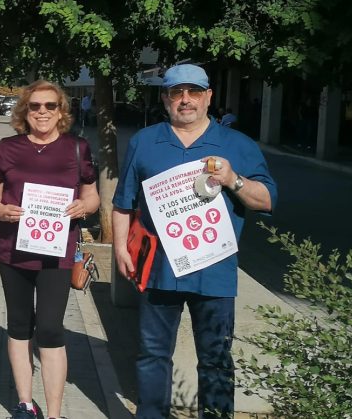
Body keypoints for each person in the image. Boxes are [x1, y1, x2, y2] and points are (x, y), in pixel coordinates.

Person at [113, 64, 276, 419]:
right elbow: (123, 202)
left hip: (214, 272)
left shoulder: (238, 144)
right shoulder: (145, 141)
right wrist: (120, 248)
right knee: (153, 354)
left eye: (194, 92)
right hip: (159, 269)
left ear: (208, 97)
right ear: (165, 98)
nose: (185, 100)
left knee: (216, 359)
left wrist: (234, 179)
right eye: (176, 93)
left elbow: (266, 200)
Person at [0, 80, 100, 419]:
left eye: (50, 106)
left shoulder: (77, 147)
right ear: (25, 111)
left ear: (62, 111)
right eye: (35, 106)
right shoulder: (8, 147)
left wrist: (84, 207)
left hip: (57, 253)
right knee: (19, 325)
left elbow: (92, 195)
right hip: (12, 249)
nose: (42, 112)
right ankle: (24, 404)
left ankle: (55, 413)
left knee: (49, 327)